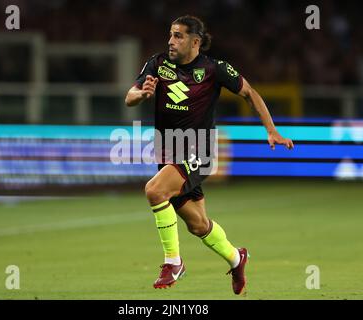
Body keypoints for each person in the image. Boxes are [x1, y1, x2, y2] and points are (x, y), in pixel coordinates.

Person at [125, 15, 294, 295]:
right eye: (170, 34)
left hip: (197, 150)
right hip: (167, 152)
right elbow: (129, 96)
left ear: (195, 41)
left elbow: (250, 93)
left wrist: (272, 130)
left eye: (178, 36)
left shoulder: (214, 69)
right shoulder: (157, 64)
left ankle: (173, 263)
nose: (171, 41)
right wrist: (142, 95)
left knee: (155, 191)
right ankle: (237, 258)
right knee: (198, 225)